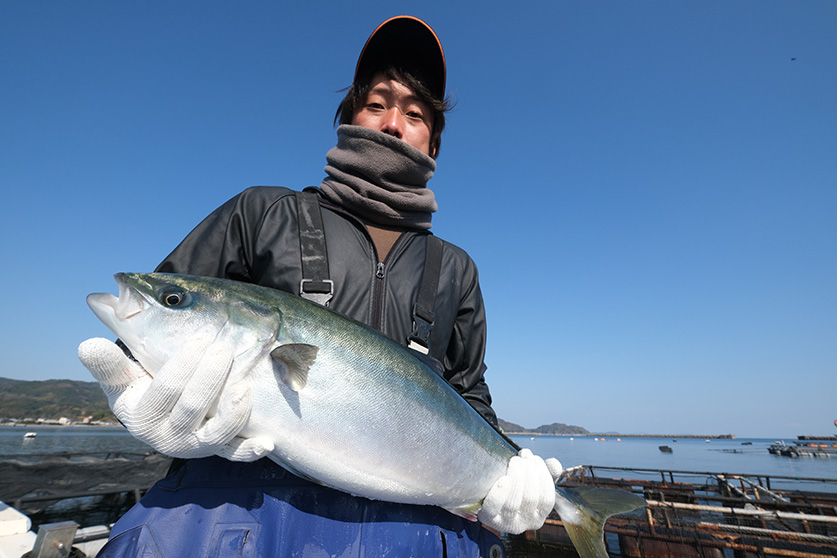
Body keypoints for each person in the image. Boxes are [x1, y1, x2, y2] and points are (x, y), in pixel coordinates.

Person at [79, 16, 560, 557]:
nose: (393, 123)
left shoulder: (454, 270)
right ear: (348, 116)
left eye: (416, 113)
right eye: (376, 103)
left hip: (410, 532)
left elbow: (469, 397)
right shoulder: (262, 213)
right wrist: (148, 409)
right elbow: (149, 340)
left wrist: (508, 480)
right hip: (237, 521)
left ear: (434, 145)